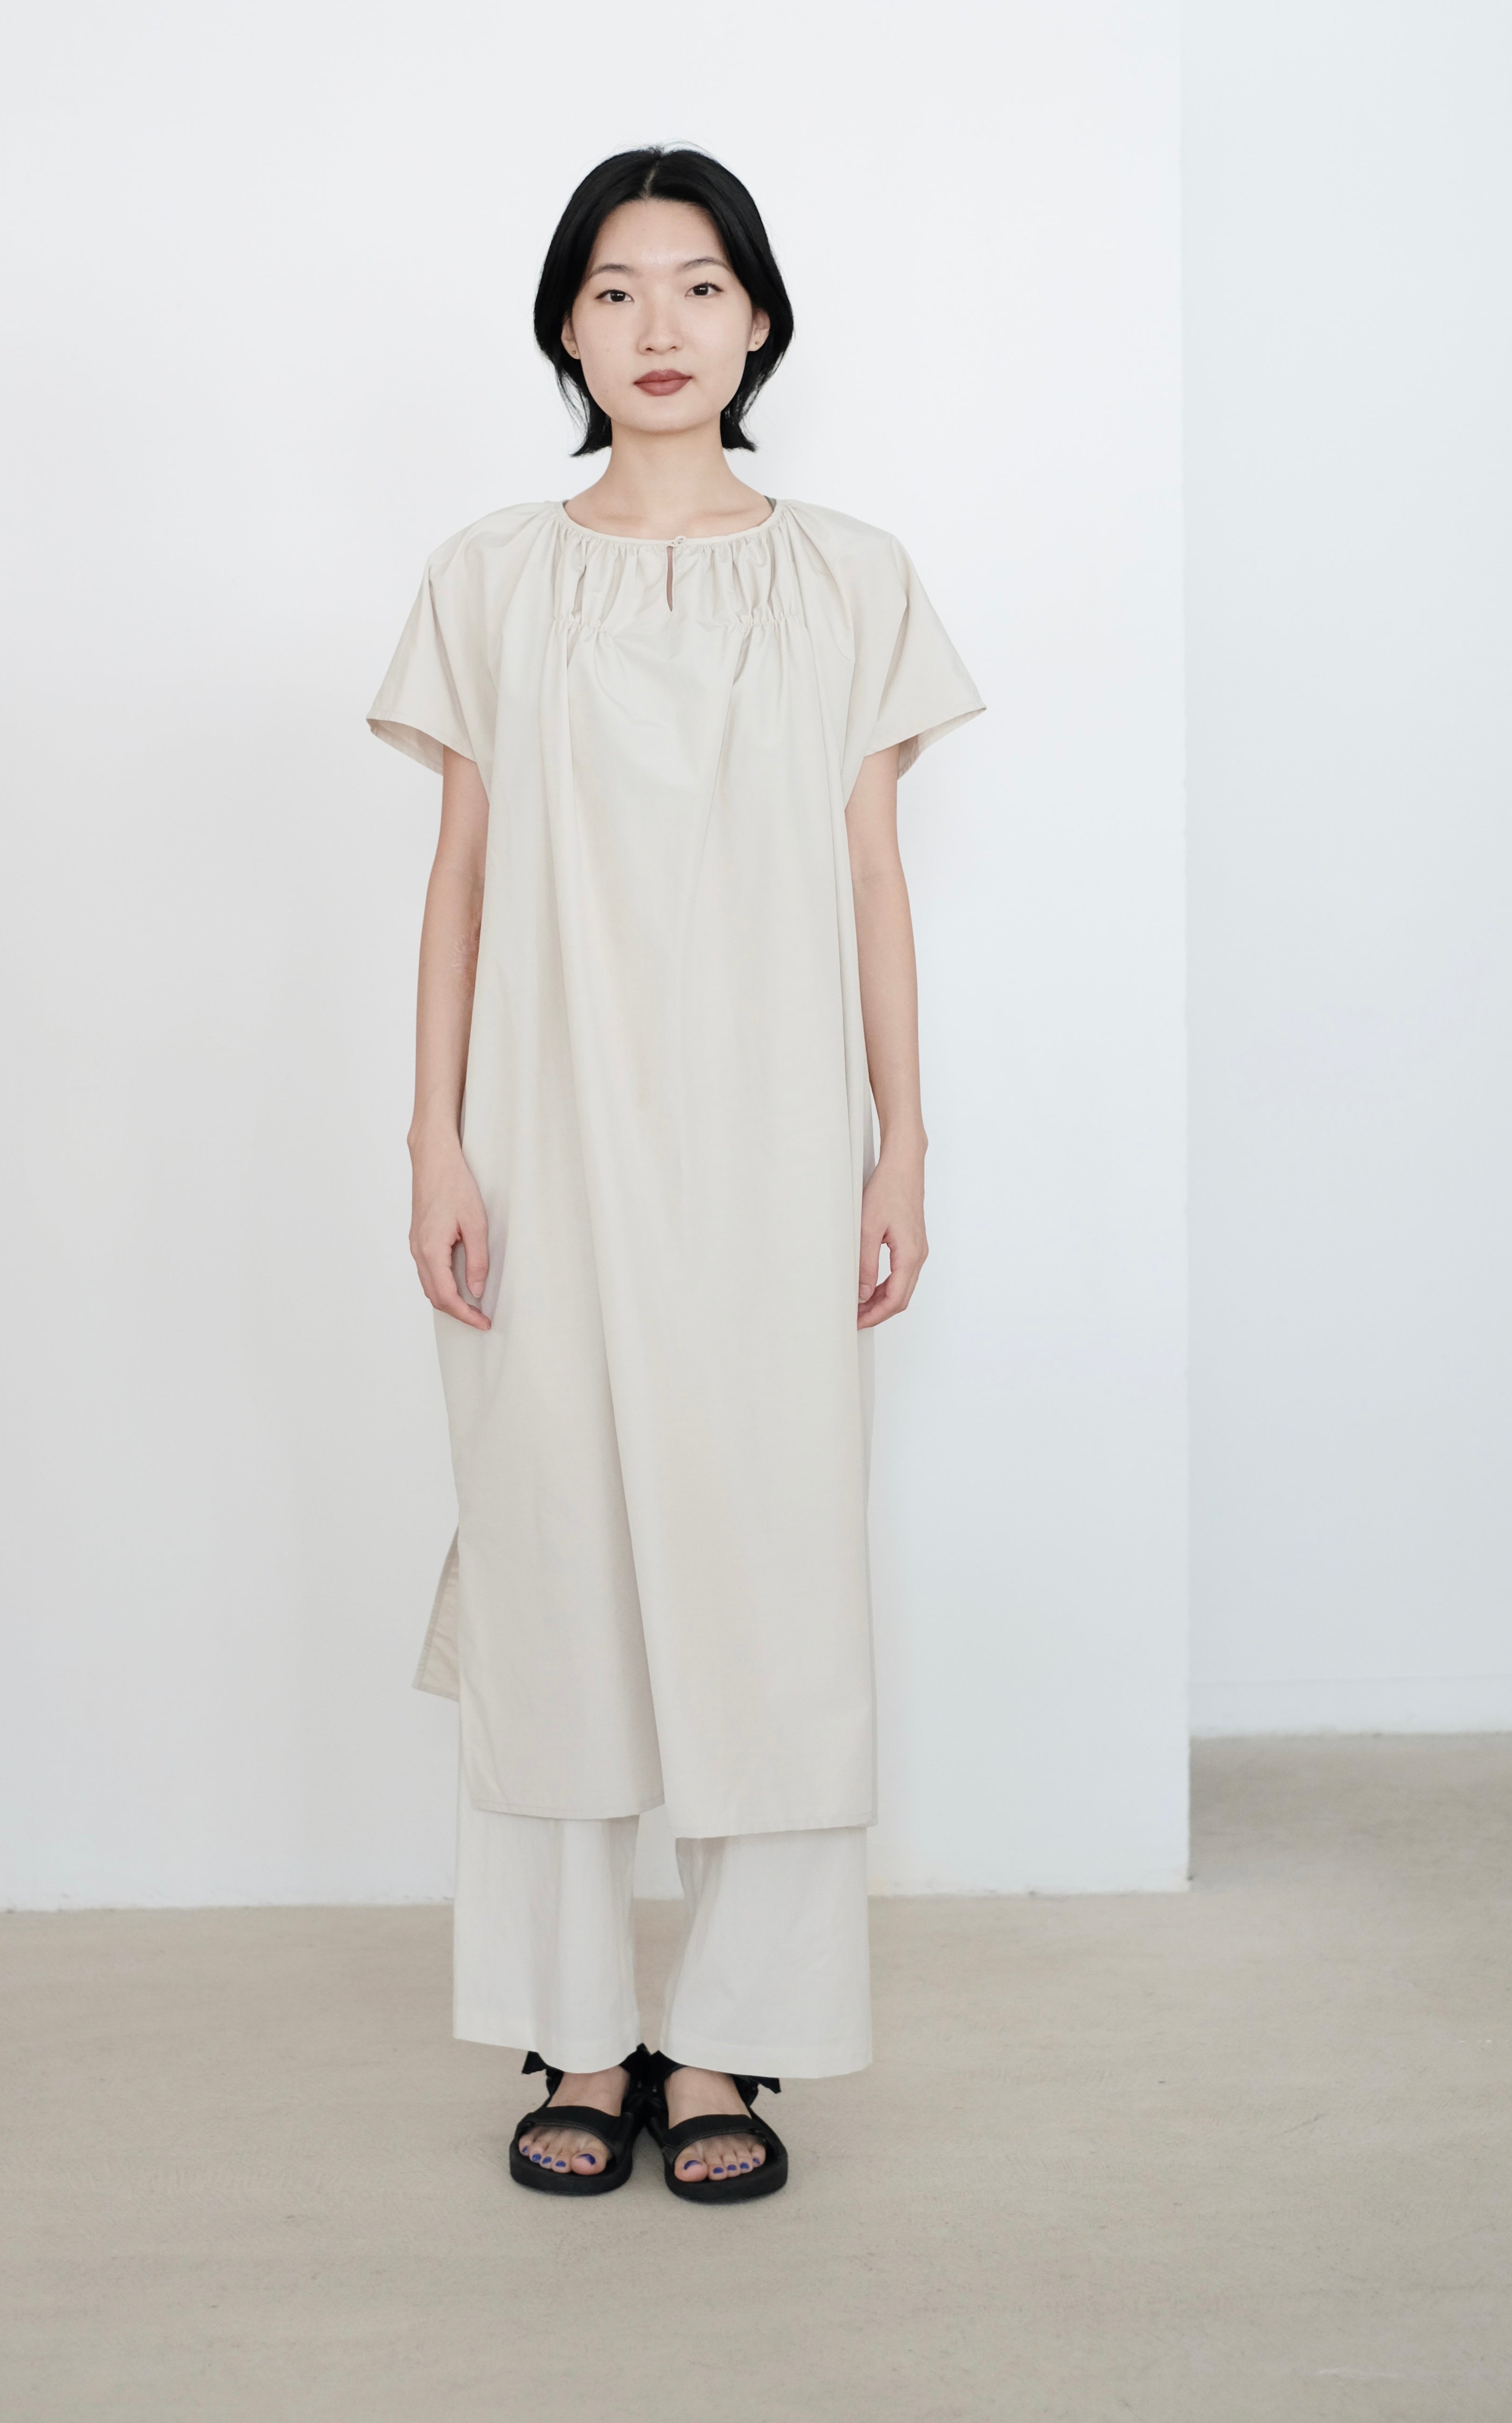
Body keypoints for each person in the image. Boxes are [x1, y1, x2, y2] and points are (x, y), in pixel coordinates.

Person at [369, 146, 982, 2201]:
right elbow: (460, 878)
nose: (659, 326)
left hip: (770, 1147)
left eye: (700, 286)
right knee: (554, 1559)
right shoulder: (491, 575)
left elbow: (872, 877)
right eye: (617, 288)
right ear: (566, 324)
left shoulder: (850, 576)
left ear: (760, 320)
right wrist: (436, 1137)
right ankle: (573, 2025)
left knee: (768, 1571)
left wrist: (902, 1144)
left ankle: (730, 2040)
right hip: (546, 1145)